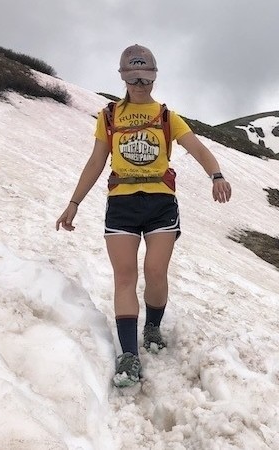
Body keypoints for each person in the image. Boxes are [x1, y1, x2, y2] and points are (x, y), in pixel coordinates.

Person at [55, 44, 232, 388]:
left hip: (160, 202)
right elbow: (96, 162)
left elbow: (196, 147)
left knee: (154, 271)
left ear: (154, 77)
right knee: (124, 277)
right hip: (121, 202)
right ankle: (129, 354)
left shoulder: (167, 116)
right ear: (123, 77)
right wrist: (74, 202)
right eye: (134, 76)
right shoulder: (109, 116)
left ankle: (152, 324)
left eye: (146, 77)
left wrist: (217, 175)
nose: (140, 83)